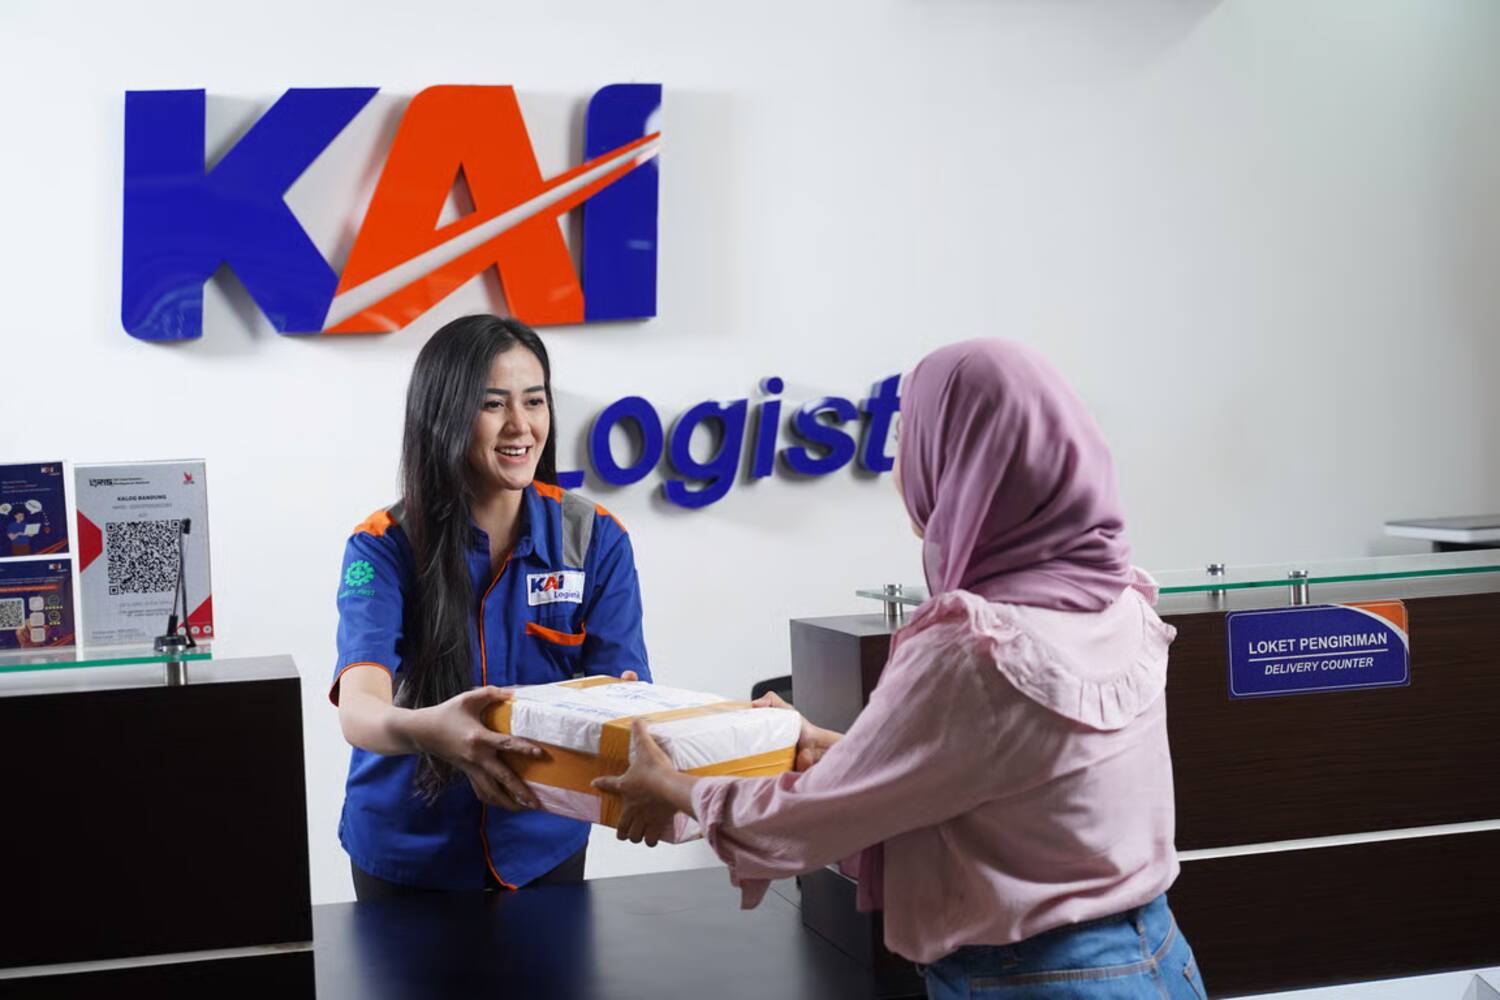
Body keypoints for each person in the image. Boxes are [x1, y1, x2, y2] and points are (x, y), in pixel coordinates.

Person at [597, 339, 1208, 998]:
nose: (898, 467)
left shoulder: (975, 646)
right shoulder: (1118, 600)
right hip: (1160, 957)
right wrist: (840, 750)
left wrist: (677, 787)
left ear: (960, 458)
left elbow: (813, 821)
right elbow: (1013, 781)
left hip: (1038, 979)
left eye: (909, 439)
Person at [331, 314, 651, 900]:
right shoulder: (383, 545)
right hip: (408, 847)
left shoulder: (595, 538)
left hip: (543, 841)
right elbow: (360, 712)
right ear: (444, 414)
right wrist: (434, 732)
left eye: (535, 401)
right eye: (493, 403)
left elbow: (626, 693)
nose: (521, 426)